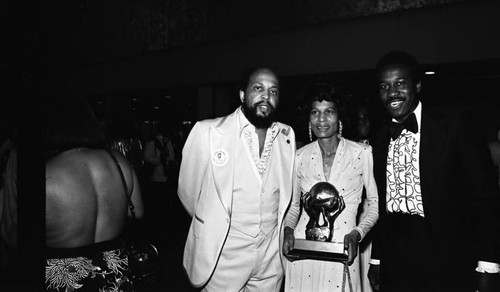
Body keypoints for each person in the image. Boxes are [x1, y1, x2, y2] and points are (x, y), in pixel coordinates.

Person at [367, 51, 500, 292]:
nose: (392, 93)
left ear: (417, 85)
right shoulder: (380, 138)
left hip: (446, 258)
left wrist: (489, 263)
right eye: (384, 86)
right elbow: (382, 208)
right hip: (396, 260)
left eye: (400, 83)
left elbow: (485, 197)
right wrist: (377, 259)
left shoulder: (454, 123)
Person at [177, 67, 296, 291]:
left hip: (270, 260)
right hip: (223, 258)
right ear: (242, 95)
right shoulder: (207, 132)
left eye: (273, 91)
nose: (266, 97)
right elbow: (188, 193)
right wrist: (216, 221)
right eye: (258, 88)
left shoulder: (286, 135)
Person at [282, 81, 379, 292]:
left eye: (329, 112)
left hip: (344, 249)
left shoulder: (362, 153)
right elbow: (294, 207)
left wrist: (357, 233)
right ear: (308, 118)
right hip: (304, 250)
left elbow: (374, 205)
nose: (322, 119)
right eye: (315, 112)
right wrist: (288, 231)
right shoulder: (299, 157)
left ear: (340, 116)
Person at [45, 95, 144, 291]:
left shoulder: (47, 170)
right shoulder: (118, 161)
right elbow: (138, 212)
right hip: (113, 272)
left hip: (65, 276)